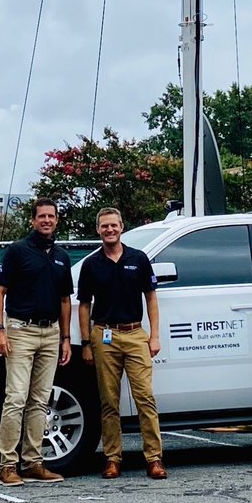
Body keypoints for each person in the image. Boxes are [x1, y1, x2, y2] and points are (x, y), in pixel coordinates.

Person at [78, 206, 168, 480]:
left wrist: (154, 335)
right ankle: (112, 458)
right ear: (98, 230)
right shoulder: (91, 264)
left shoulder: (138, 259)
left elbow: (151, 297)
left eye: (114, 225)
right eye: (104, 226)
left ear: (121, 227)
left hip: (135, 334)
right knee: (109, 402)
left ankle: (154, 459)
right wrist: (85, 343)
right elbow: (84, 305)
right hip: (104, 336)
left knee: (145, 399)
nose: (109, 230)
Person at [0, 197, 73, 486]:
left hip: (51, 333)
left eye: (51, 216)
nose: (46, 220)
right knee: (15, 398)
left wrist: (65, 338)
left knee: (40, 400)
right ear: (33, 220)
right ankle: (7, 466)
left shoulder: (62, 256)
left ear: (57, 219)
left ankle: (33, 462)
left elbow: (65, 300)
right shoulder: (17, 251)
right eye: (42, 216)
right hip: (20, 331)